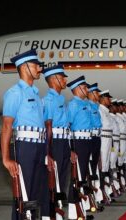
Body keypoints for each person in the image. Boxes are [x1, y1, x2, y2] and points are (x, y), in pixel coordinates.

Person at [1, 49, 48, 220]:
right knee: (23, 194)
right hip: (26, 147)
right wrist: (6, 158)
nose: (40, 69)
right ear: (25, 67)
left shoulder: (35, 94)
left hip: (40, 147)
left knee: (35, 193)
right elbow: (6, 126)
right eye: (36, 65)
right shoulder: (15, 93)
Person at [42, 65, 71, 216]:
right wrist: (48, 152)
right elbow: (48, 126)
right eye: (62, 77)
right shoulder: (49, 100)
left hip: (64, 141)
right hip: (55, 143)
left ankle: (57, 210)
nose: (65, 80)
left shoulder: (60, 98)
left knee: (62, 177)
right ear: (53, 79)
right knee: (54, 179)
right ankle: (51, 212)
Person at [66, 75, 94, 219]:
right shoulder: (73, 105)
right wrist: (71, 148)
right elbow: (68, 126)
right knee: (75, 178)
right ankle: (73, 213)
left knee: (82, 176)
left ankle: (81, 210)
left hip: (87, 141)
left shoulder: (86, 104)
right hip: (78, 142)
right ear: (76, 89)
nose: (86, 90)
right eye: (84, 87)